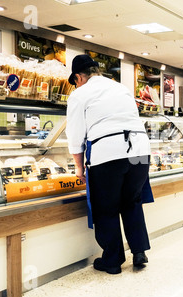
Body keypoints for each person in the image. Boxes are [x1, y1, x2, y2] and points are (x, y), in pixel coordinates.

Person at [66, 54, 152, 274]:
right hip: (140, 150)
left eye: (75, 81)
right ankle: (139, 251)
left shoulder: (79, 94)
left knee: (107, 206)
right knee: (132, 201)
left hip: (108, 153)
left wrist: (78, 167)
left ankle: (112, 261)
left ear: (78, 77)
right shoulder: (120, 88)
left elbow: (75, 134)